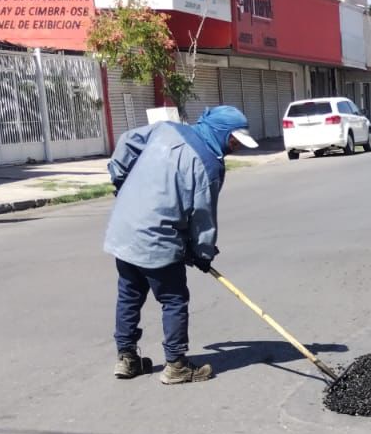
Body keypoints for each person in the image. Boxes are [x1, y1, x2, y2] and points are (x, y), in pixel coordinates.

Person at [104, 105, 258, 385]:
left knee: (130, 293)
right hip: (157, 237)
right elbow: (202, 216)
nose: (236, 145)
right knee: (173, 299)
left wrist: (120, 179)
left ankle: (126, 360)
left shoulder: (165, 130)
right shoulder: (208, 164)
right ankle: (176, 365)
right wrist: (202, 253)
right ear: (220, 132)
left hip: (124, 227)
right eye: (234, 138)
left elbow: (127, 142)